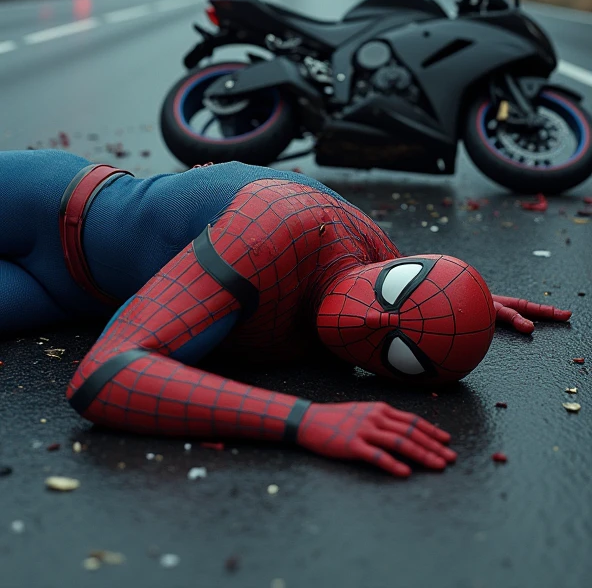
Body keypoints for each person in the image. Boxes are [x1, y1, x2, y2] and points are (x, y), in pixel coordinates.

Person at [0, 150, 571, 478]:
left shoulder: (381, 265)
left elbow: (415, 284)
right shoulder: (280, 227)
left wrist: (459, 308)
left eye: (399, 354)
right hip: (44, 203)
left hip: (60, 297)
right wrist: (306, 421)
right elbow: (105, 377)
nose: (369, 324)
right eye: (394, 292)